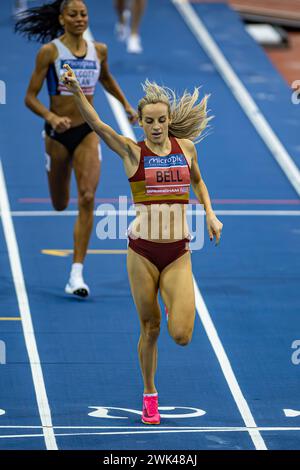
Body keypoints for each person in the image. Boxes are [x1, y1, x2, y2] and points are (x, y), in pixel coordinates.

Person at [61, 63, 223, 425]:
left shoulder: (188, 148)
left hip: (179, 251)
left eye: (160, 120)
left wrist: (210, 214)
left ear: (168, 121)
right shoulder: (132, 153)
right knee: (150, 329)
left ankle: (172, 301)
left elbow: (199, 183)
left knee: (180, 335)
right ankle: (150, 394)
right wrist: (75, 90)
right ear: (141, 123)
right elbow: (97, 124)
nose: (154, 126)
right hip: (142, 253)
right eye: (148, 121)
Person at [15, 0, 137, 297]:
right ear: (62, 18)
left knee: (87, 196)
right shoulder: (50, 52)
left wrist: (125, 103)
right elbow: (29, 97)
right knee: (59, 203)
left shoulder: (100, 50)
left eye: (84, 14)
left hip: (86, 131)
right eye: (73, 14)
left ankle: (76, 274)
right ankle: (56, 165)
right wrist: (51, 116)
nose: (80, 19)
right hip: (57, 134)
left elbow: (106, 78)